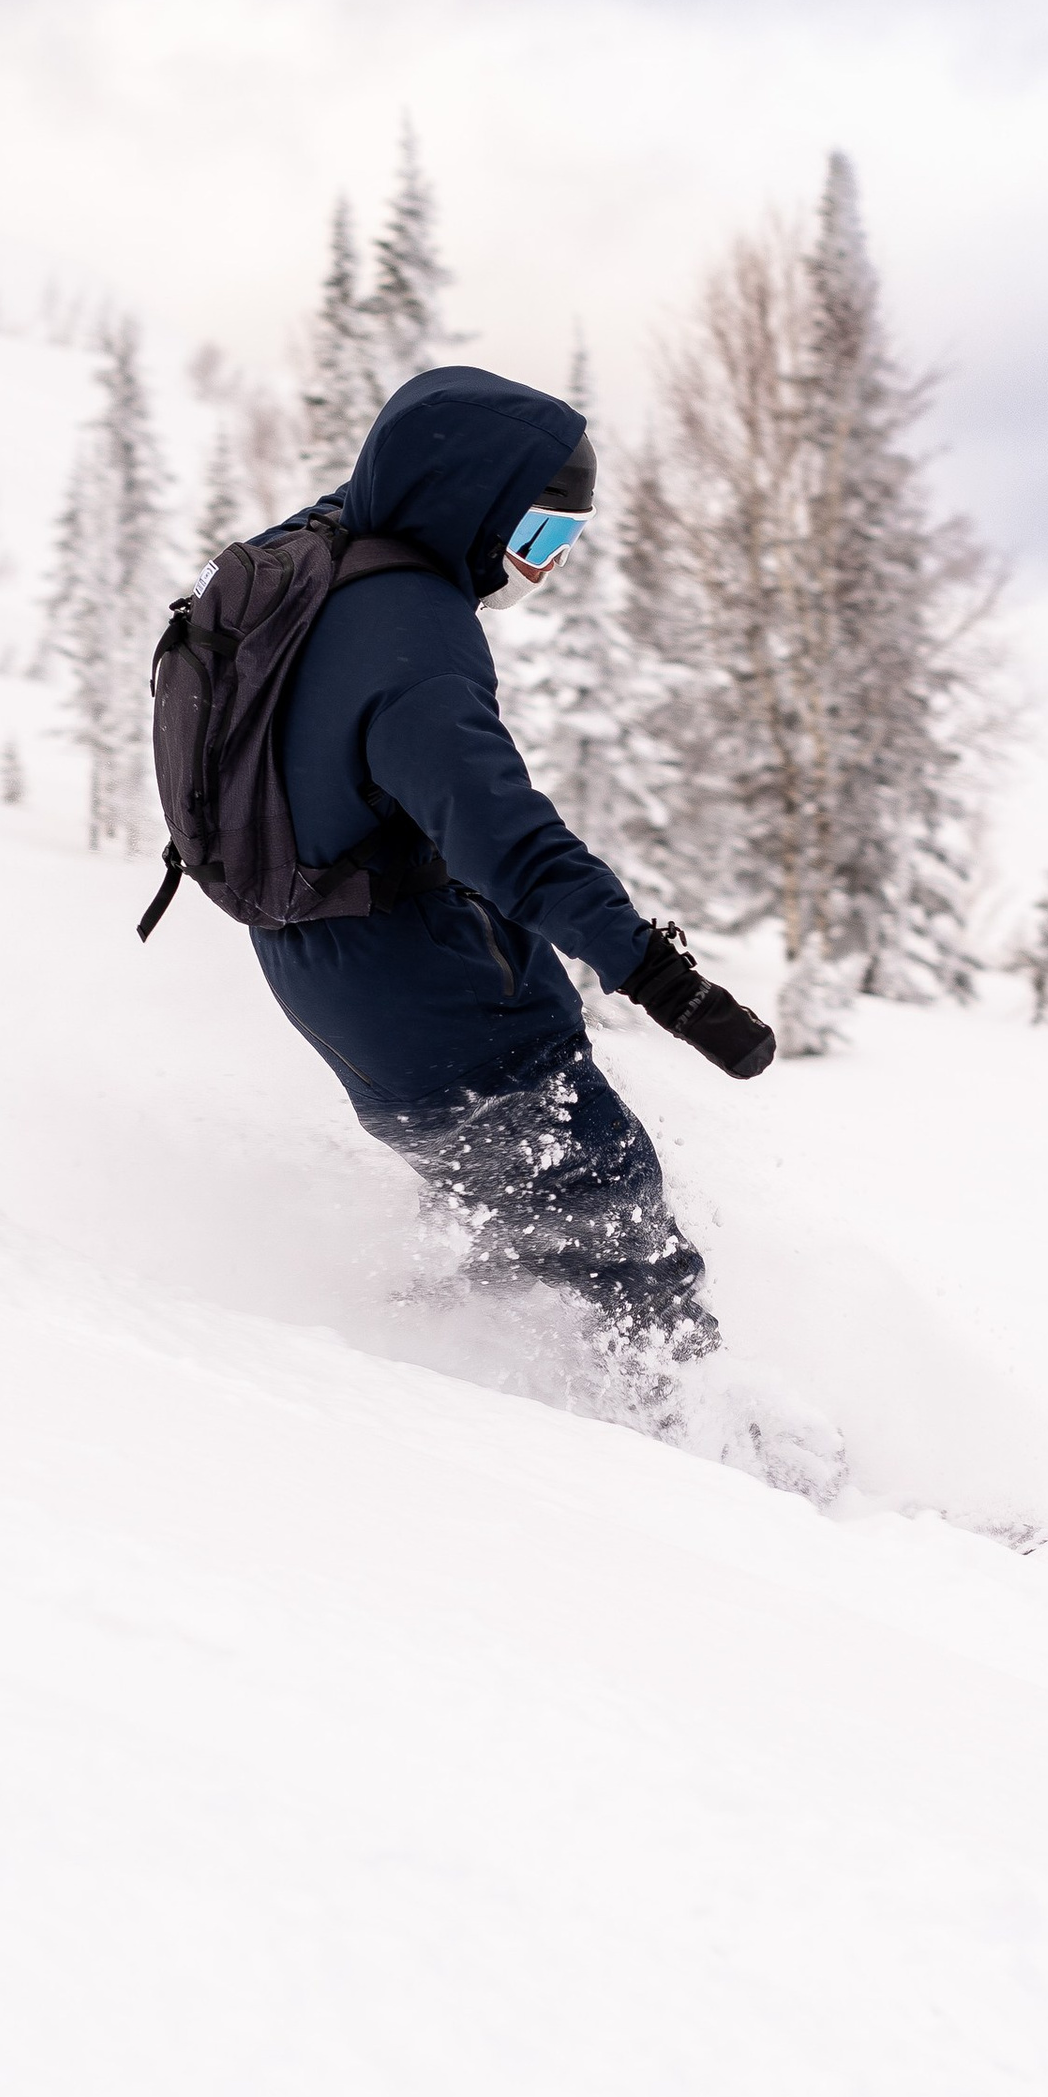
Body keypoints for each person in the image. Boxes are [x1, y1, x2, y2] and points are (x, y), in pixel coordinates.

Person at [249, 364, 774, 1365]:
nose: (543, 569)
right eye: (537, 537)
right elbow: (505, 838)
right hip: (446, 998)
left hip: (335, 991)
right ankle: (716, 1462)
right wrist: (658, 977)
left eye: (567, 543)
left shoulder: (306, 560)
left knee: (518, 1215)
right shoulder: (409, 639)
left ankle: (458, 1374)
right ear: (474, 511)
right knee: (619, 1232)